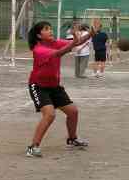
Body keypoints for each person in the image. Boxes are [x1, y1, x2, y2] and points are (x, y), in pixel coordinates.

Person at [26, 22, 94, 157]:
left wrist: (91, 33)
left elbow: (77, 42)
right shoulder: (39, 49)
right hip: (38, 86)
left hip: (54, 86)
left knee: (73, 112)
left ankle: (72, 139)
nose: (50, 31)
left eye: (50, 28)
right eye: (46, 29)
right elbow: (59, 53)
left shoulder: (54, 42)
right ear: (39, 35)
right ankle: (33, 147)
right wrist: (74, 41)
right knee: (50, 114)